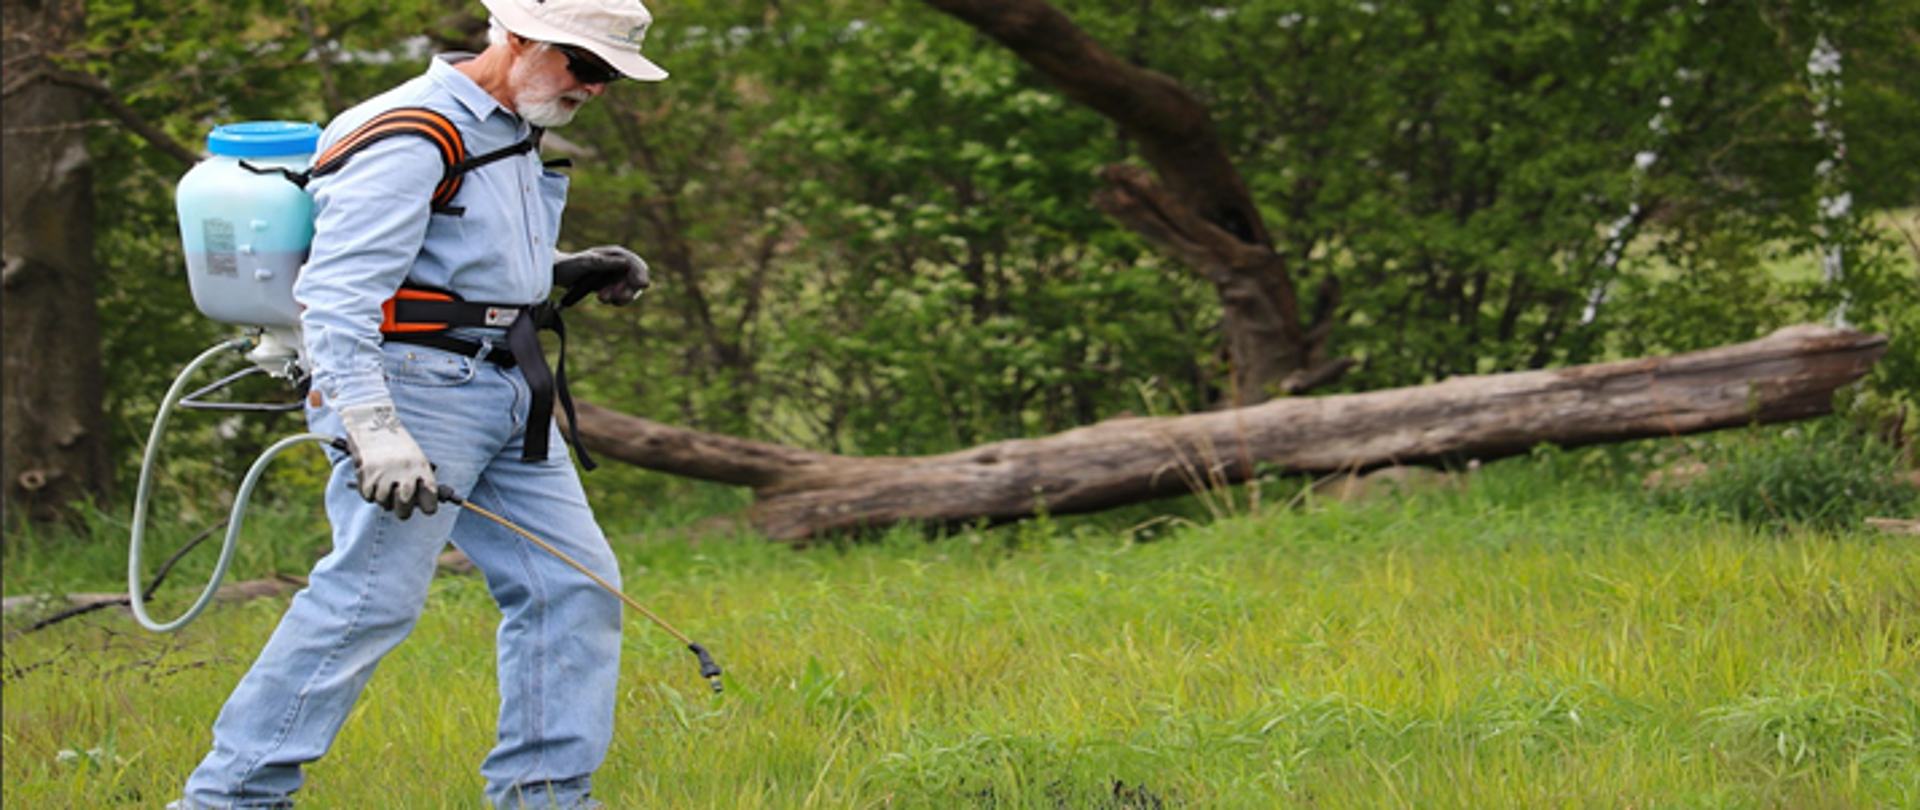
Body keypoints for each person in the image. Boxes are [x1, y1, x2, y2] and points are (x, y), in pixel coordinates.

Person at [173, 0, 666, 806]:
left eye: (609, 73)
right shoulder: (413, 131)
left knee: (573, 584)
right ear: (518, 39)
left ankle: (545, 796)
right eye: (584, 65)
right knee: (367, 601)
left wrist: (561, 269)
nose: (595, 87)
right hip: (414, 394)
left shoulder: (508, 124)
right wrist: (374, 430)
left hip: (504, 386)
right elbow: (335, 295)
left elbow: (452, 259)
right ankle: (229, 799)